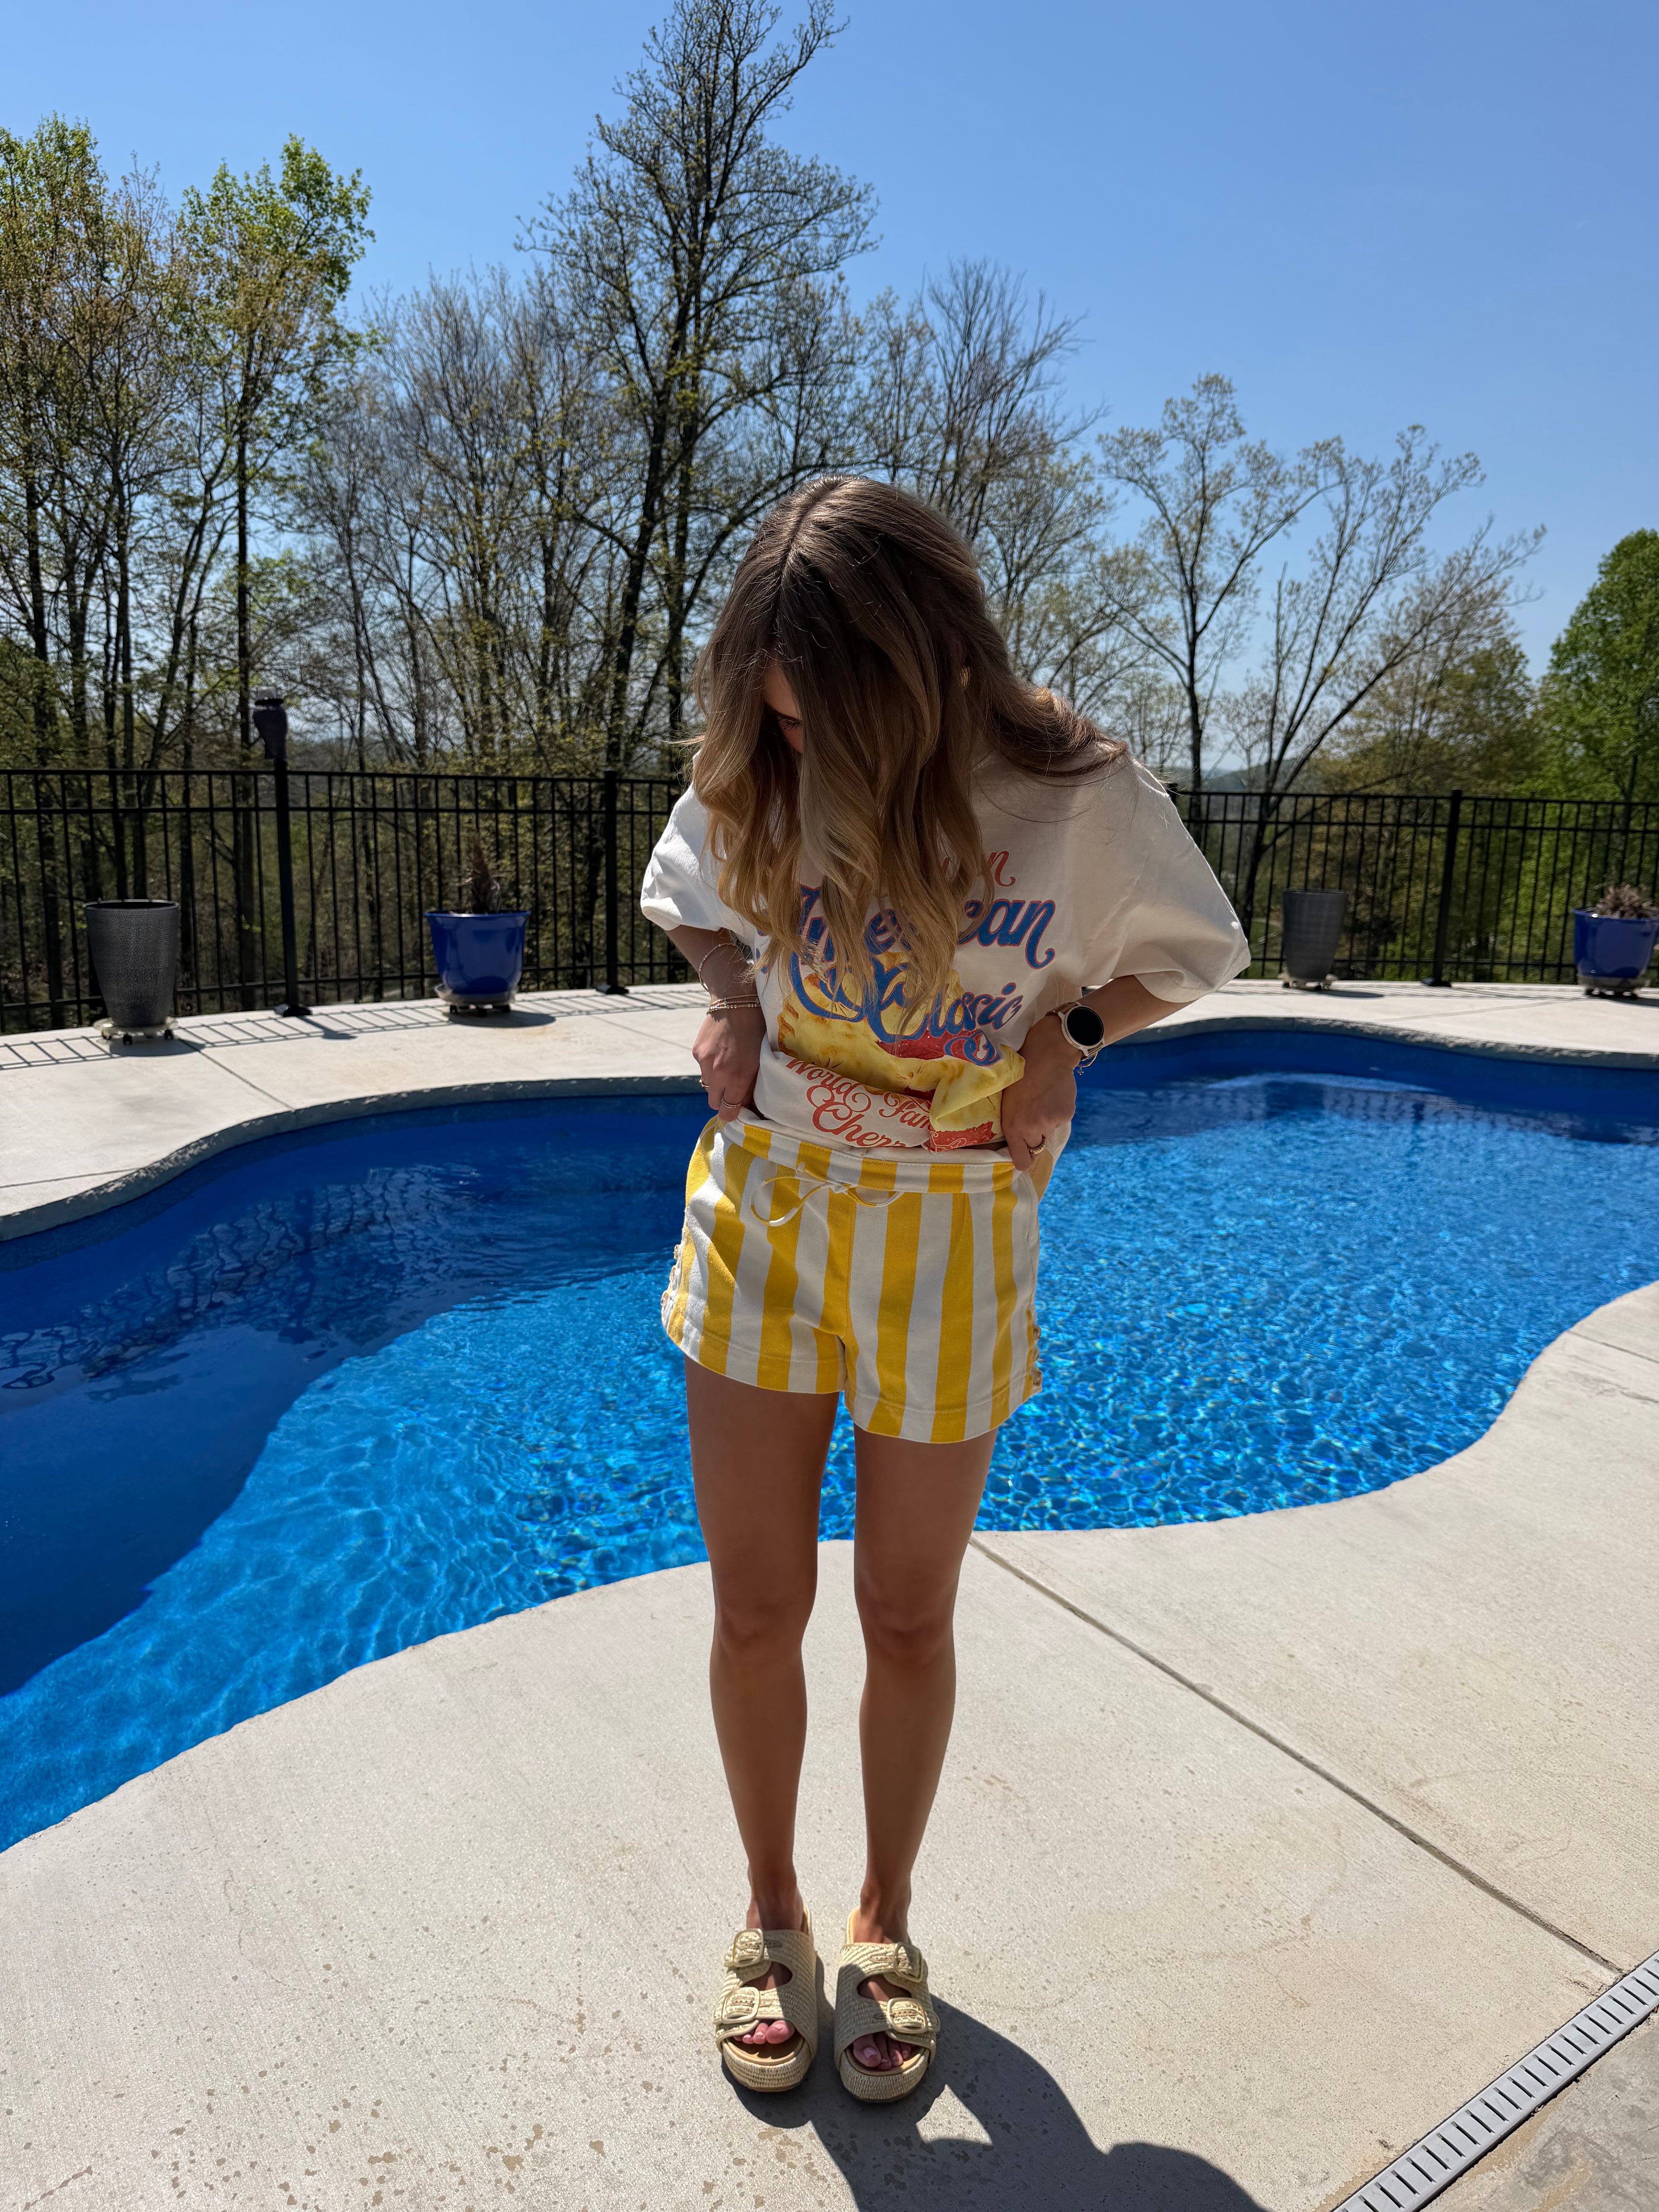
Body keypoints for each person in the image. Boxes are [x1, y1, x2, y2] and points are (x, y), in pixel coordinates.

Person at [640, 475, 1248, 2103]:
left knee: (908, 1611)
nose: (797, 751)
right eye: (771, 718)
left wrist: (1068, 1037)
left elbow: (1194, 951)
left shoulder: (1071, 791)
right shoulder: (760, 762)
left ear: (919, 674)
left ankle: (883, 1921)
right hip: (768, 1207)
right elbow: (699, 907)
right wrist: (742, 1009)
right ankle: (770, 1910)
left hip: (955, 1227)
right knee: (757, 1607)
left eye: (823, 716)